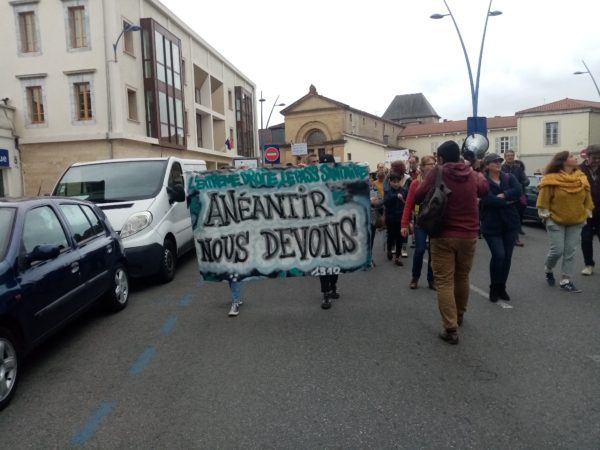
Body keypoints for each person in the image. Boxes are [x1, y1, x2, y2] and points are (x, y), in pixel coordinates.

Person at [414, 140, 488, 345]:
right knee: (462, 276)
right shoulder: (472, 174)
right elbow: (484, 190)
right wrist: (477, 169)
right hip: (469, 235)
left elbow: (419, 196)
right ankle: (460, 314)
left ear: (440, 158)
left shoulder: (437, 172)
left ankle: (450, 328)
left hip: (442, 234)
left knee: (445, 281)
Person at [537, 151, 593, 293]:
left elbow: (587, 199)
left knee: (570, 252)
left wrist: (586, 213)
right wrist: (546, 216)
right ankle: (548, 268)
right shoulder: (550, 179)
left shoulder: (581, 178)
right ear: (563, 161)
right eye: (572, 157)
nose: (576, 158)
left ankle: (566, 280)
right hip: (555, 220)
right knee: (557, 250)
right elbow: (543, 201)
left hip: (576, 220)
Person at [479, 153, 522, 302]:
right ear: (487, 165)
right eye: (494, 162)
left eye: (499, 161)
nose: (498, 163)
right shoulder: (482, 180)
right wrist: (509, 200)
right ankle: (494, 287)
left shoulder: (509, 177)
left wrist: (504, 195)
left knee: (507, 257)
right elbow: (487, 200)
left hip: (510, 223)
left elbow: (518, 191)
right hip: (491, 225)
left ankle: (502, 287)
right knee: (499, 255)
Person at [308, 153, 341, 309]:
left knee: (335, 261)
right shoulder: (311, 181)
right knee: (322, 261)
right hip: (318, 228)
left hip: (337, 227)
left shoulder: (340, 181)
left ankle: (333, 285)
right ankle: (325, 293)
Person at [401, 155, 436, 290]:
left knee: (433, 251)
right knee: (420, 250)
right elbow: (408, 204)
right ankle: (415, 277)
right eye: (430, 164)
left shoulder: (438, 181)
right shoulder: (415, 183)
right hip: (420, 221)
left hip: (434, 221)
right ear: (422, 167)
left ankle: (431, 279)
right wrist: (404, 224)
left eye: (434, 164)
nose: (433, 166)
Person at [579, 145, 600, 275]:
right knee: (586, 238)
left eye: (599, 158)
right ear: (587, 156)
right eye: (594, 158)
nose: (597, 161)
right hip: (585, 210)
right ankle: (589, 265)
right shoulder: (578, 170)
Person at [501, 150, 529, 246]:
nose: (510, 157)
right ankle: (503, 236)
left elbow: (525, 180)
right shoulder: (501, 168)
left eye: (511, 155)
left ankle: (515, 239)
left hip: (516, 197)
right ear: (505, 157)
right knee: (504, 218)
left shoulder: (518, 168)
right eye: (508, 155)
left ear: (514, 157)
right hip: (505, 196)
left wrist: (522, 183)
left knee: (515, 218)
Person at [384, 160, 411, 258]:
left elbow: (408, 203)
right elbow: (386, 202)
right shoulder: (388, 190)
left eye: (397, 182)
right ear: (390, 182)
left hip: (400, 217)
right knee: (391, 235)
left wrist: (408, 216)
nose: (396, 184)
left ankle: (398, 256)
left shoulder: (404, 189)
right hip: (390, 217)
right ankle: (389, 249)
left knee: (400, 236)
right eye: (393, 182)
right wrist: (395, 196)